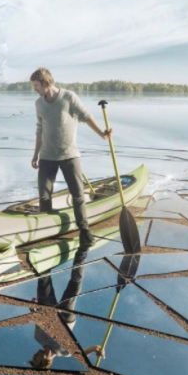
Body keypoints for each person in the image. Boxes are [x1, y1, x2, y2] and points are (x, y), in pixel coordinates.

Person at [30, 67, 111, 246]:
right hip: (47, 156)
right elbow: (39, 129)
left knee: (78, 194)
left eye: (36, 85)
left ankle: (84, 231)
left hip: (69, 155)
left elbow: (86, 116)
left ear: (45, 83)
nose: (34, 89)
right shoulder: (38, 103)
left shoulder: (68, 97)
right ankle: (46, 232)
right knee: (44, 196)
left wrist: (102, 134)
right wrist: (35, 154)